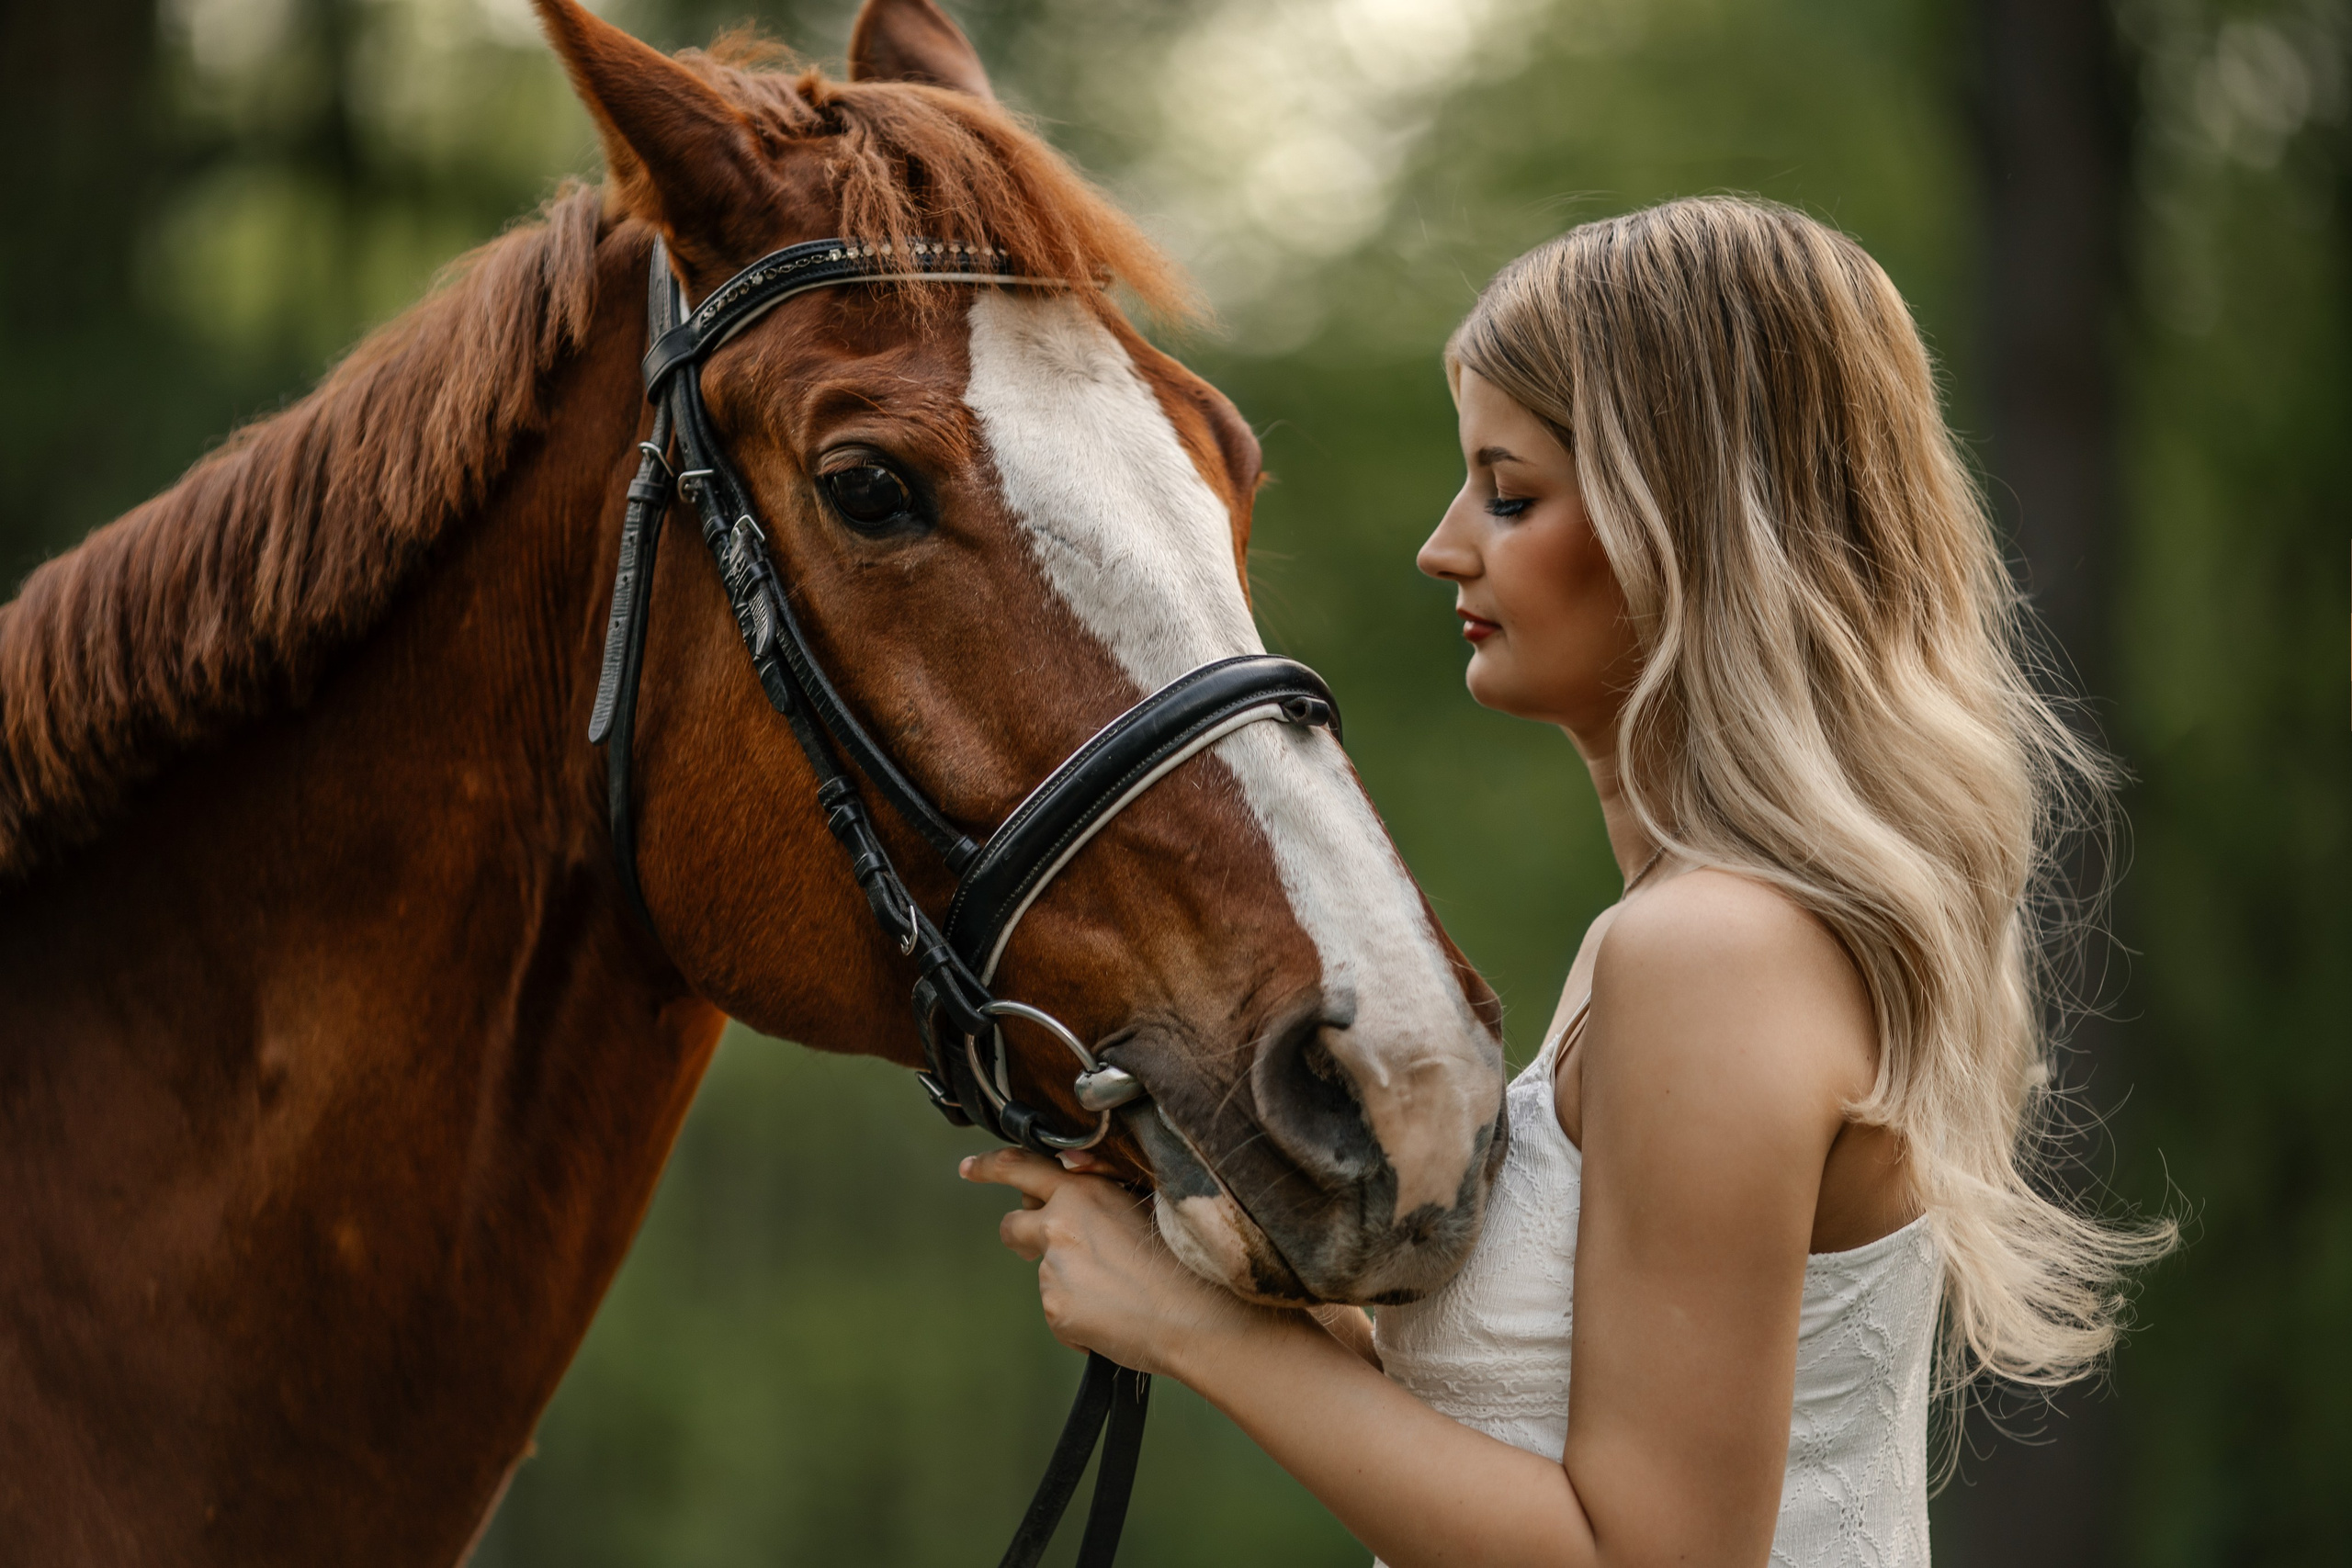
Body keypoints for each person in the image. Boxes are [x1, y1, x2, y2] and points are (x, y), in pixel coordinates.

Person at [962, 195, 2172, 1568]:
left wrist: (1204, 1341)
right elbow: (1546, 1430)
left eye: (1511, 492)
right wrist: (1218, 1261)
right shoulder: (1684, 936)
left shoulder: (1715, 954)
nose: (1445, 547)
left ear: (1693, 528)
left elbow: (1646, 1556)